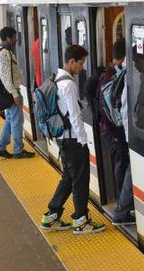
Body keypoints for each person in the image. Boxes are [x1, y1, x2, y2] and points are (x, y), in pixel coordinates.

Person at [41, 45, 105, 235]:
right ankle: (80, 220)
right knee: (80, 180)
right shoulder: (68, 85)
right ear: (71, 62)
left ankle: (51, 215)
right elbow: (75, 117)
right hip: (73, 141)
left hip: (63, 139)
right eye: (81, 63)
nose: (82, 67)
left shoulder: (56, 79)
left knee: (69, 177)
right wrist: (84, 141)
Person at [98, 39, 133, 225]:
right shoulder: (112, 77)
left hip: (113, 131)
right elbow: (119, 112)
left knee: (122, 164)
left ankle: (123, 201)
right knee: (122, 164)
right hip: (114, 132)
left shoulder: (109, 73)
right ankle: (122, 203)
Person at [0, 27, 34, 159]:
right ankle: (18, 150)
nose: (16, 40)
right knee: (17, 121)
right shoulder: (4, 53)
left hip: (8, 91)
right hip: (10, 92)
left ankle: (1, 147)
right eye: (14, 37)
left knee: (9, 120)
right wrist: (14, 94)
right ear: (8, 38)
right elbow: (5, 76)